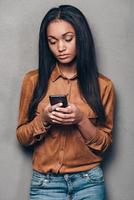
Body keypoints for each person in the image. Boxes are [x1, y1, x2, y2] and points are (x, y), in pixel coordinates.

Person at [16, 4, 115, 200]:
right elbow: (22, 137)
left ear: (82, 38)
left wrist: (81, 120)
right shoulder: (32, 81)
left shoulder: (104, 85)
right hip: (45, 184)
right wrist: (44, 119)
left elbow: (105, 144)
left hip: (89, 182)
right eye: (52, 41)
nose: (60, 48)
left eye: (68, 39)